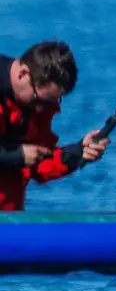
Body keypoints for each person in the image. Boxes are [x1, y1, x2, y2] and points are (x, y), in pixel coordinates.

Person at [0, 41, 110, 211]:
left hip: (9, 221)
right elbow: (23, 156)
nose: (42, 109)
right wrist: (17, 156)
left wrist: (79, 151)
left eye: (52, 101)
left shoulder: (38, 103)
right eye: (39, 100)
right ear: (23, 74)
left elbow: (40, 163)